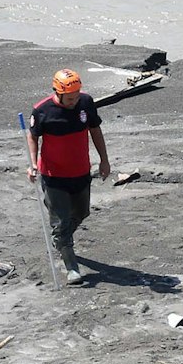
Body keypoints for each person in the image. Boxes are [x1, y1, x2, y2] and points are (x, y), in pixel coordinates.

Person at [26, 68, 111, 284]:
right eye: (70, 97)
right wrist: (33, 164)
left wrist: (104, 159)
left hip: (81, 171)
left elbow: (95, 130)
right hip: (53, 176)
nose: (74, 101)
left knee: (81, 213)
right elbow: (33, 136)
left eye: (76, 95)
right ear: (58, 91)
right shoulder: (42, 111)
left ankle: (61, 238)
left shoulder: (86, 103)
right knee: (61, 222)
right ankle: (71, 267)